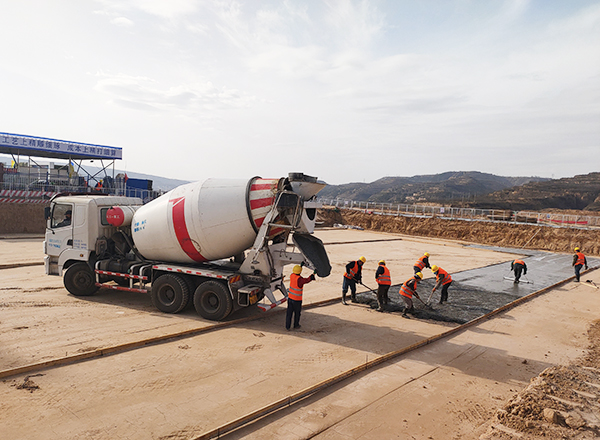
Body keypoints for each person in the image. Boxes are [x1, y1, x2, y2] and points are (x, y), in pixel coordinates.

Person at [286, 265, 315, 330]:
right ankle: (296, 325)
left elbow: (297, 272)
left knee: (289, 313)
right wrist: (312, 275)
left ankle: (287, 326)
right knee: (297, 313)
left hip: (290, 298)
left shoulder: (292, 275)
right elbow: (306, 280)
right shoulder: (299, 279)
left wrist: (300, 266)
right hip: (297, 300)